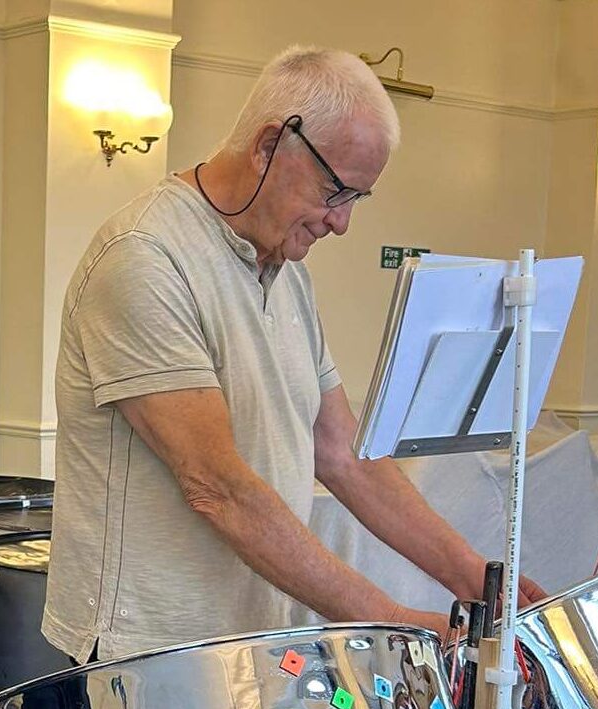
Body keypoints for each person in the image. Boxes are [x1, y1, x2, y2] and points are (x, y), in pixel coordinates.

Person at [43, 46, 543, 663]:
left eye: (356, 199)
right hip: (148, 653)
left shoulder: (283, 267)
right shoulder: (145, 258)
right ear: (270, 145)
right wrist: (392, 620)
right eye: (336, 191)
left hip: (250, 638)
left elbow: (342, 453)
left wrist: (476, 579)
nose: (341, 224)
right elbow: (217, 488)